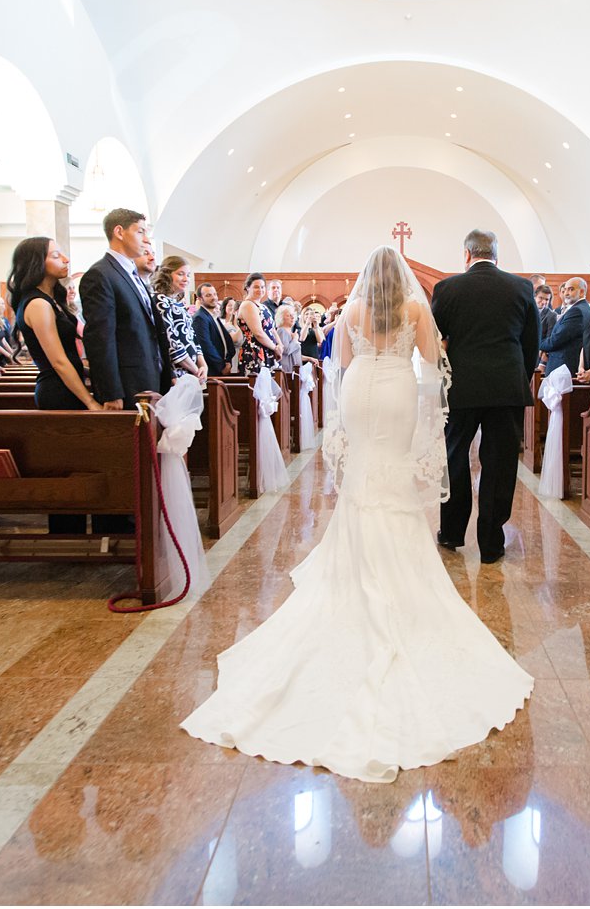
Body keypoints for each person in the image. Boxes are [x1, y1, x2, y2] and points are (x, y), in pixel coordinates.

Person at [181, 245, 532, 784]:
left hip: (361, 385)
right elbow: (432, 362)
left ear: (369, 278)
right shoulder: (415, 310)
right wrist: (429, 423)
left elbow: (340, 361)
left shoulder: (350, 310)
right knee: (391, 468)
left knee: (365, 469)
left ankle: (356, 561)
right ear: (405, 279)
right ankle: (399, 571)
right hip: (395, 387)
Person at [431, 229, 540, 564]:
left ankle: (451, 532)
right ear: (497, 254)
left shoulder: (447, 288)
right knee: (500, 462)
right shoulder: (521, 287)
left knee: (454, 456)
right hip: (506, 387)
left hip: (461, 386)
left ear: (466, 254)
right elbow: (531, 343)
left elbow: (436, 339)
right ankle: (491, 543)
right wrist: (516, 376)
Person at [8, 237, 102, 534]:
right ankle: (67, 533)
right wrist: (90, 402)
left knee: (78, 463)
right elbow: (59, 362)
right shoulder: (36, 303)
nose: (65, 260)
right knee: (65, 467)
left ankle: (77, 529)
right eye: (56, 255)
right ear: (38, 262)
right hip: (57, 391)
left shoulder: (53, 300)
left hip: (66, 385)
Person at [79, 207, 175, 410]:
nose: (145, 239)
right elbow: (100, 339)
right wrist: (111, 393)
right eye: (140, 231)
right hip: (128, 384)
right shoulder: (101, 275)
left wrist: (168, 373)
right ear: (119, 232)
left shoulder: (132, 274)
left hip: (150, 377)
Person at [150, 255, 208, 383]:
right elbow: (172, 343)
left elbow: (192, 338)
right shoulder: (160, 301)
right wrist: (195, 370)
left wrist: (203, 365)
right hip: (175, 372)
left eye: (188, 275)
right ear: (166, 275)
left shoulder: (178, 303)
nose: (186, 279)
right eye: (180, 274)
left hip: (190, 371)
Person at [539, 277, 590, 376]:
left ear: (581, 292)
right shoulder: (582, 308)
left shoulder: (577, 311)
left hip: (563, 367)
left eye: (571, 289)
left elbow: (555, 340)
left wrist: (537, 343)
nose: (566, 293)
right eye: (565, 289)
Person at [237, 272, 283, 373]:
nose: (260, 290)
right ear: (248, 288)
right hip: (255, 351)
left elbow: (272, 329)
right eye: (256, 287)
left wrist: (280, 345)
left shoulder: (262, 306)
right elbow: (258, 333)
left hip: (268, 349)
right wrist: (275, 348)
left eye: (262, 287)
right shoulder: (248, 305)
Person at [192, 283, 233, 376]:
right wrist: (221, 367)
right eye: (208, 295)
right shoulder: (200, 318)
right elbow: (205, 346)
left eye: (214, 294)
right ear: (200, 299)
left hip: (223, 365)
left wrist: (228, 361)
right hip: (213, 370)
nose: (214, 298)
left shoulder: (213, 315)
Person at [273, 303, 301, 375]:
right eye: (288, 315)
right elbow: (286, 350)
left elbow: (294, 352)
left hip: (294, 368)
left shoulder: (290, 332)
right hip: (287, 369)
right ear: (281, 318)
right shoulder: (282, 331)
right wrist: (295, 340)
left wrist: (309, 358)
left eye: (293, 315)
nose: (292, 317)